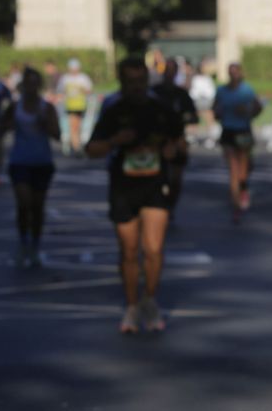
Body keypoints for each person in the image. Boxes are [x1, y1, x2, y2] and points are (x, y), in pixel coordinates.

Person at [86, 56, 185, 333]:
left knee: (152, 249)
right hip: (123, 185)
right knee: (129, 251)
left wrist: (173, 150)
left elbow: (180, 142)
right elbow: (91, 148)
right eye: (131, 83)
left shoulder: (162, 109)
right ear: (122, 83)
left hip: (155, 184)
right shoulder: (113, 111)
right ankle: (131, 305)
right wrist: (116, 141)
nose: (137, 87)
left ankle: (150, 300)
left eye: (141, 81)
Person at [2, 67, 61, 268]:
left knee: (37, 207)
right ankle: (23, 240)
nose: (31, 87)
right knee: (23, 203)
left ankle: (35, 243)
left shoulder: (47, 108)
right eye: (28, 83)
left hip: (42, 161)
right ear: (23, 85)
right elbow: (3, 127)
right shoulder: (15, 107)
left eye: (35, 83)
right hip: (19, 161)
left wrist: (45, 124)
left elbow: (57, 135)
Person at [214, 62, 263, 222]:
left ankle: (243, 187)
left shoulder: (246, 90)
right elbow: (214, 110)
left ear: (241, 73)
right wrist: (218, 113)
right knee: (233, 170)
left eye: (237, 72)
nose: (234, 75)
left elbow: (258, 107)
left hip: (243, 130)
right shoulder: (221, 90)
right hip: (228, 131)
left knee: (244, 169)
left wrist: (248, 112)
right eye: (231, 72)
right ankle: (236, 205)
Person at [152, 59, 199, 215]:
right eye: (167, 70)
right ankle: (159, 204)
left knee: (176, 179)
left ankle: (170, 205)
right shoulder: (154, 92)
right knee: (158, 176)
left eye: (173, 70)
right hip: (157, 140)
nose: (169, 74)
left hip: (177, 138)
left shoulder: (182, 94)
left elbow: (193, 116)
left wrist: (184, 121)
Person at [57, 58, 93, 155]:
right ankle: (76, 147)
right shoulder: (65, 78)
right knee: (73, 126)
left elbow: (89, 91)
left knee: (78, 126)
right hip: (70, 105)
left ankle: (77, 144)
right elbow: (60, 91)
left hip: (81, 105)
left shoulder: (83, 78)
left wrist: (82, 90)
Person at [189, 59, 217, 148]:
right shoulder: (195, 78)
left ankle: (211, 138)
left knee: (209, 119)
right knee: (194, 120)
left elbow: (211, 91)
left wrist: (207, 97)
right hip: (197, 101)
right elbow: (194, 90)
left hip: (207, 102)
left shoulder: (208, 79)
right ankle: (192, 137)